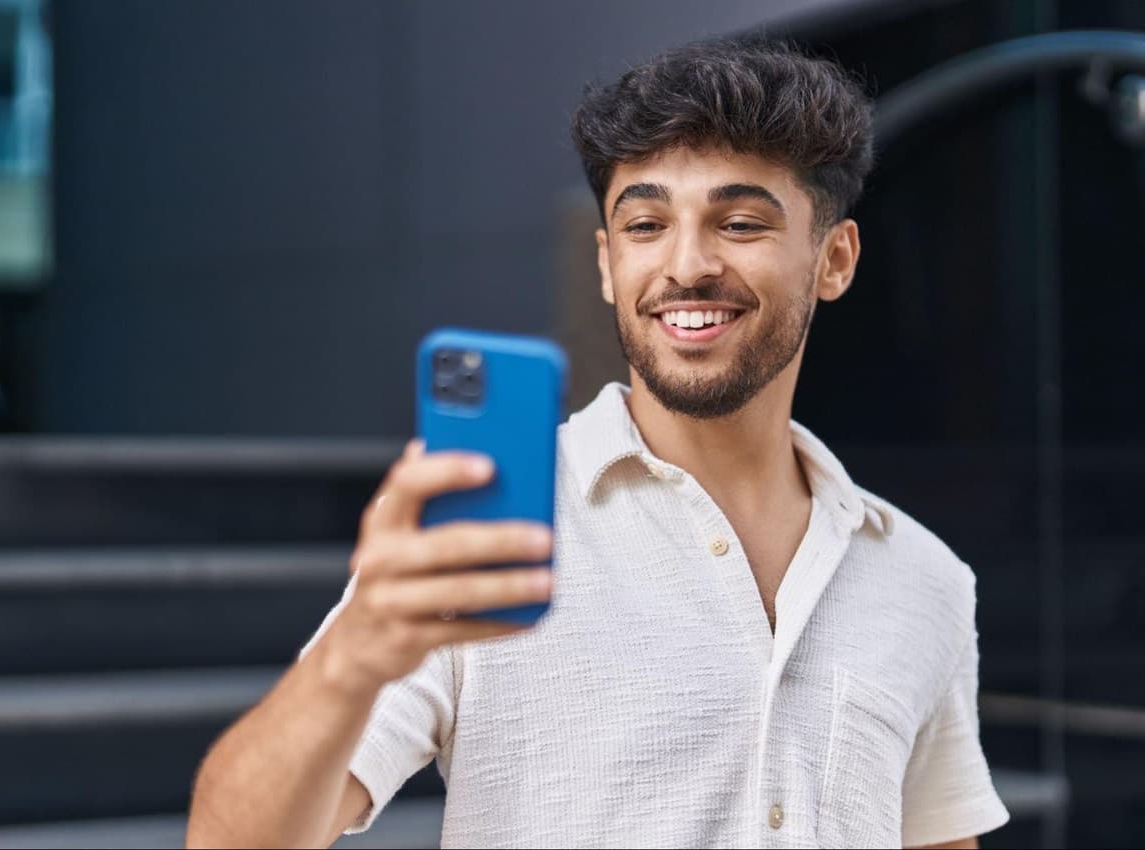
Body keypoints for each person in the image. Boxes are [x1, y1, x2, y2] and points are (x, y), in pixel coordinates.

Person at [185, 37, 1010, 850]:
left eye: (741, 222)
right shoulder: (484, 539)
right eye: (647, 224)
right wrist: (355, 653)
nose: (687, 264)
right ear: (609, 264)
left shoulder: (925, 579)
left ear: (834, 260)